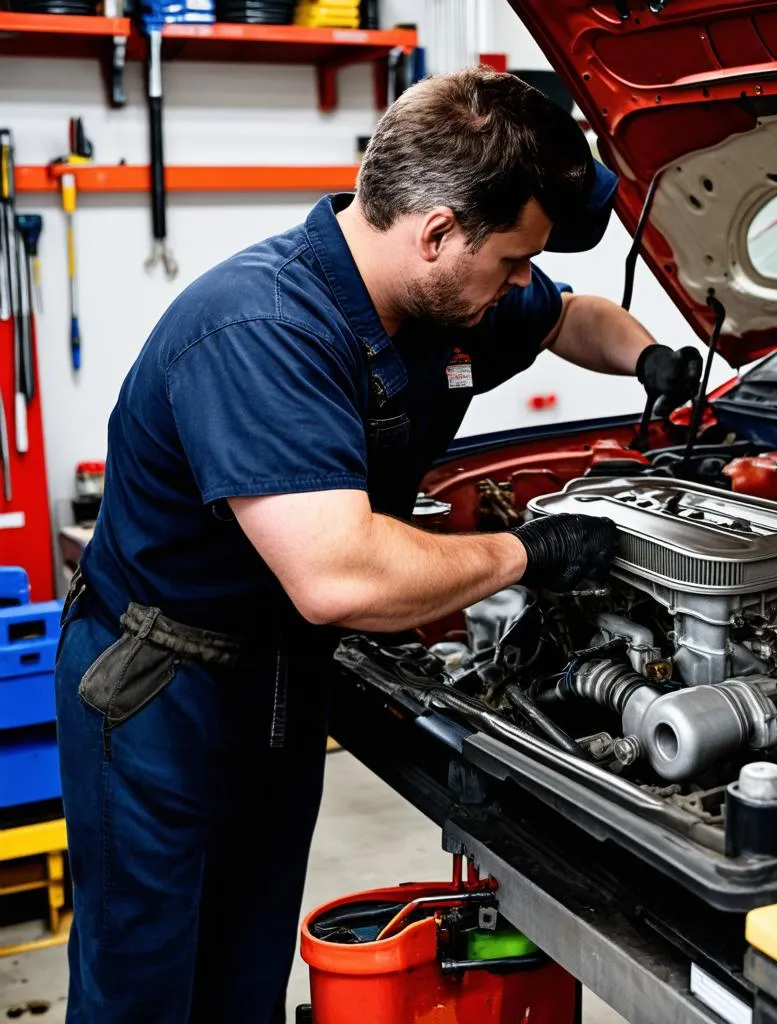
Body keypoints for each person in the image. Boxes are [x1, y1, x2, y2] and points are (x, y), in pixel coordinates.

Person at [54, 65, 703, 1023]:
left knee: (243, 965)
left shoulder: (438, 293)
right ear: (437, 231)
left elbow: (570, 317)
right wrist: (529, 552)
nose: (520, 287)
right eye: (512, 263)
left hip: (277, 678)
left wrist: (648, 356)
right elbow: (339, 575)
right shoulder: (263, 328)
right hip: (162, 689)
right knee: (144, 984)